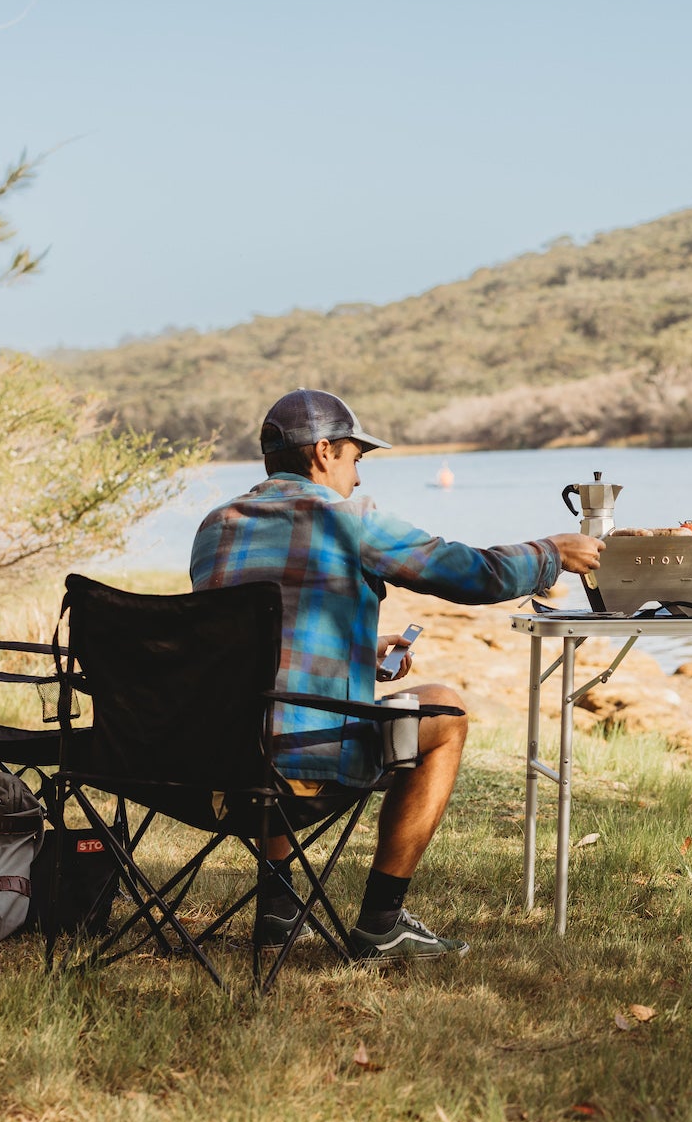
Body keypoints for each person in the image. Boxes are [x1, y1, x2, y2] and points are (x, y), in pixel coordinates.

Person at [189, 388, 603, 962]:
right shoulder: (348, 521)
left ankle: (279, 910)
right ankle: (382, 921)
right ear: (325, 452)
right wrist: (550, 551)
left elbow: (257, 649)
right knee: (445, 712)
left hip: (210, 762)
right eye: (357, 459)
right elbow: (471, 574)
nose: (358, 478)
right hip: (305, 762)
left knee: (271, 713)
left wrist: (357, 648)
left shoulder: (216, 526)